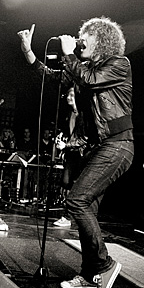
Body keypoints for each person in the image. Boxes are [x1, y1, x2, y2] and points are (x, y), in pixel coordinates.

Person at [18, 16, 133, 288]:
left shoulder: (119, 64)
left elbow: (90, 81)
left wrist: (69, 54)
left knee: (76, 201)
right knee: (87, 207)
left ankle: (105, 265)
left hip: (117, 145)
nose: (80, 42)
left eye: (86, 37)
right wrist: (28, 51)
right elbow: (52, 77)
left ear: (101, 41)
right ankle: (90, 274)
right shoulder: (82, 69)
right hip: (99, 147)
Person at [52, 86, 88, 228]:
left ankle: (68, 216)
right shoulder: (70, 114)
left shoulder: (83, 114)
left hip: (82, 154)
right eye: (68, 95)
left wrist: (66, 145)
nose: (68, 97)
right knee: (65, 183)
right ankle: (68, 215)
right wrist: (61, 137)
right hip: (71, 154)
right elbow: (69, 132)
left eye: (72, 95)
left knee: (75, 185)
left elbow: (85, 138)